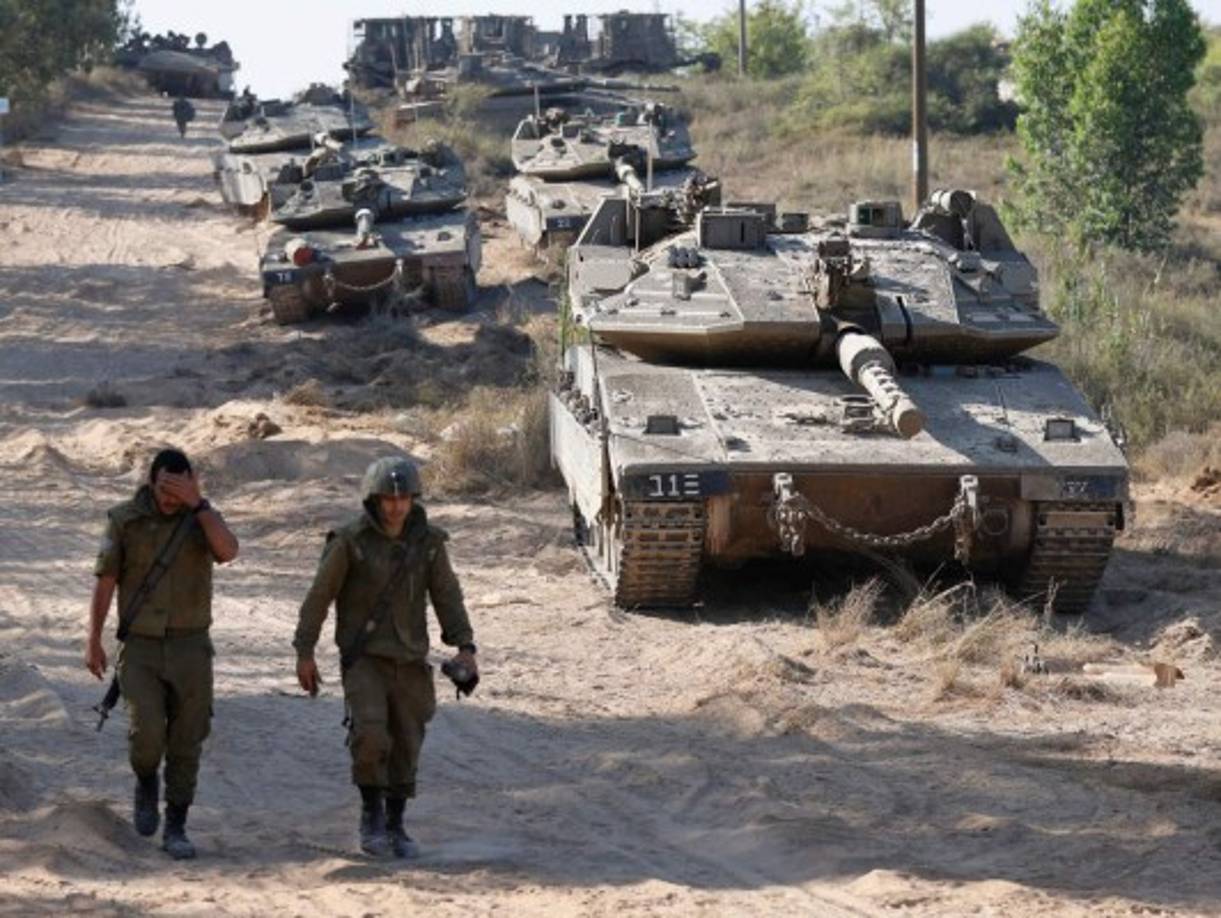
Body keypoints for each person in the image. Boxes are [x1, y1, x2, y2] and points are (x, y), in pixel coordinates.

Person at [293, 457, 477, 859]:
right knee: (371, 734)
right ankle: (371, 816)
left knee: (408, 741)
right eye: (387, 498)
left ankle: (396, 823)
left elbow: (447, 596)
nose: (395, 506)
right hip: (366, 660)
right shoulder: (349, 541)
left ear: (414, 499)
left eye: (403, 498)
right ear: (373, 499)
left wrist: (466, 646)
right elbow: (318, 598)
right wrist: (304, 651)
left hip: (410, 661)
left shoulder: (428, 543)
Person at [85, 448, 239, 859]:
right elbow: (105, 582)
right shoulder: (124, 520)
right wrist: (94, 639)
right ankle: (146, 779)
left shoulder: (203, 519)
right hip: (141, 646)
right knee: (146, 733)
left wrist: (199, 506)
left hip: (191, 645)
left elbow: (228, 552)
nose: (171, 498)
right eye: (165, 489)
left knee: (188, 738)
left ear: (191, 482)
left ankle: (176, 826)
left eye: (180, 488)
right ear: (151, 482)